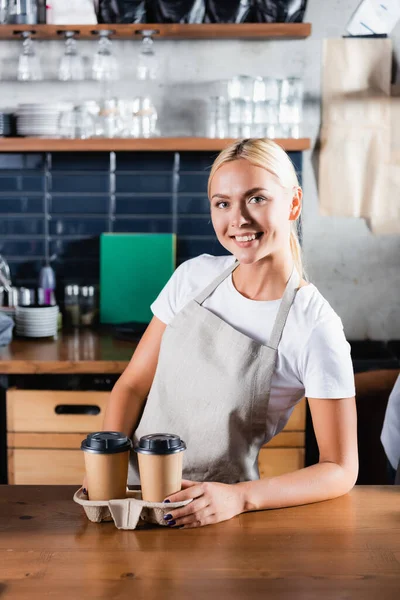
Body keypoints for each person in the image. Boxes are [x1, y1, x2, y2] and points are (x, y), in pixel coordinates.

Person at [83, 138, 358, 528]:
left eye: (257, 198)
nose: (238, 220)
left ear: (294, 203)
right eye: (223, 203)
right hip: (132, 503)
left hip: (217, 518)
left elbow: (340, 468)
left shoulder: (314, 325)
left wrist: (240, 498)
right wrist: (105, 468)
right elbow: (133, 384)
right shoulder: (193, 278)